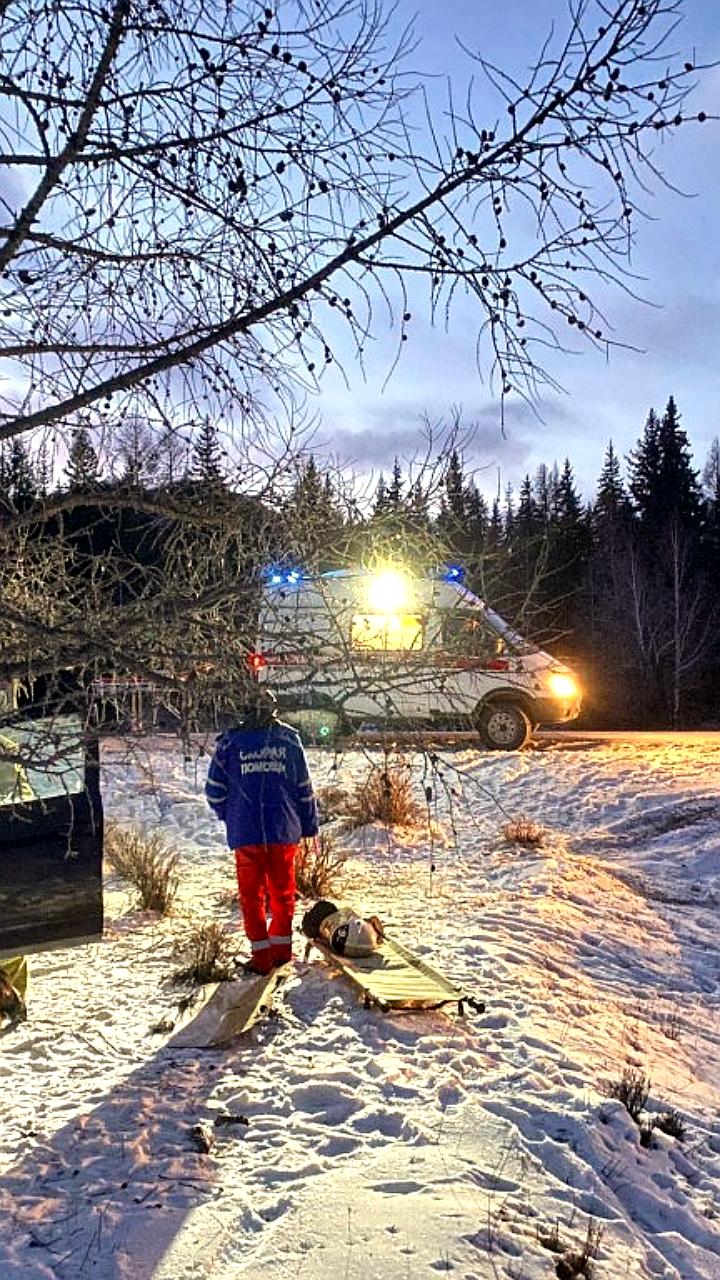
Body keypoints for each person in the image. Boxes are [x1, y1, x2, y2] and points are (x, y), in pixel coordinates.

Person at [205, 688, 318, 974]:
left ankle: (261, 958)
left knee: (251, 898)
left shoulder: (230, 743)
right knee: (283, 895)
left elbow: (214, 791)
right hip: (283, 830)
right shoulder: (289, 741)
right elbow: (304, 789)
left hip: (247, 833)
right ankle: (281, 953)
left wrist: (232, 816)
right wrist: (308, 825)